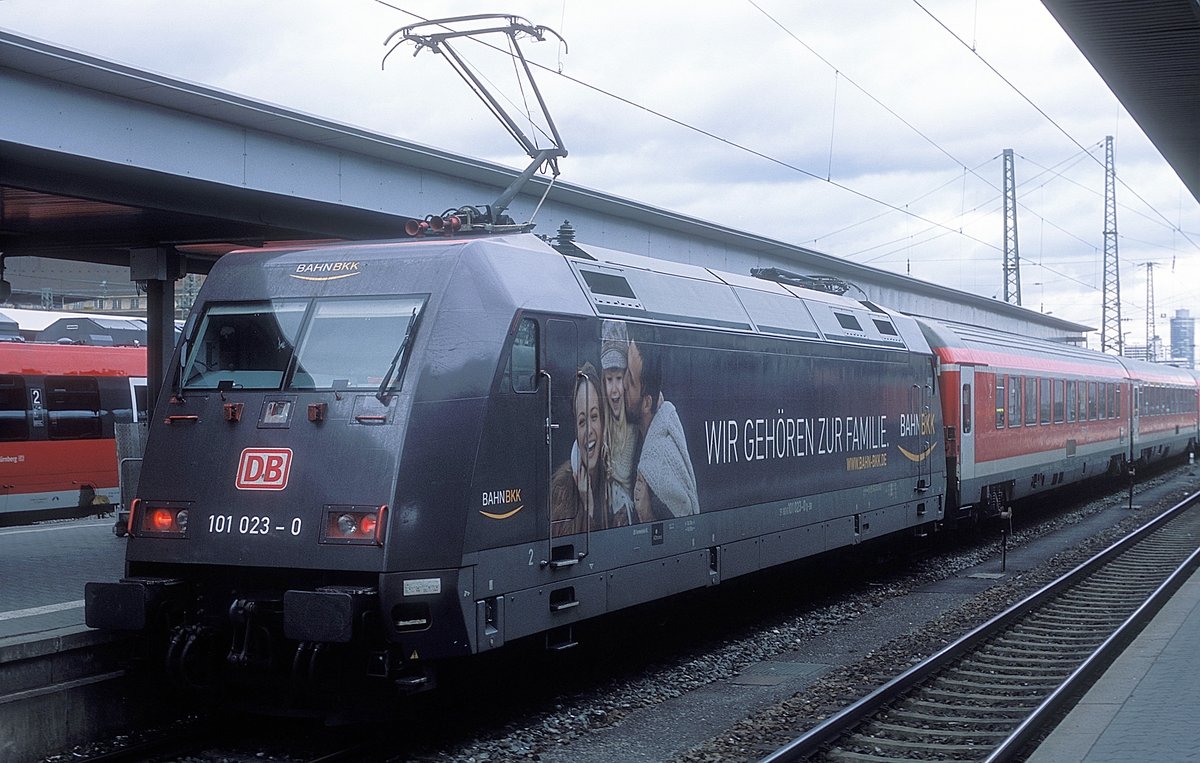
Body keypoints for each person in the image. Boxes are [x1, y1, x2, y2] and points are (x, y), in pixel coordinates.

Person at [624, 329, 700, 521]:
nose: (623, 384)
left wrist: (647, 514)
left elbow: (684, 530)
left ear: (647, 403)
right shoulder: (639, 435)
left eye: (631, 381)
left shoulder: (661, 469)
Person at [551, 362, 609, 536]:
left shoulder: (615, 482)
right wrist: (587, 506)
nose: (589, 430)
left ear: (603, 421)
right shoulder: (560, 490)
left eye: (594, 416)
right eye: (582, 421)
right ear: (575, 430)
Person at [599, 320, 638, 527]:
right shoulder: (598, 430)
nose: (614, 390)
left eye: (619, 378)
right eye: (609, 379)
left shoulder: (638, 430)